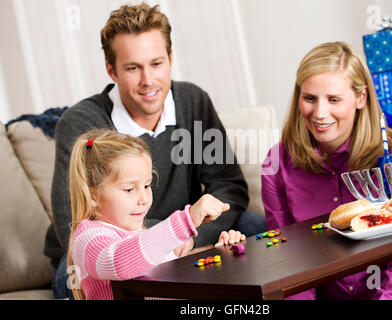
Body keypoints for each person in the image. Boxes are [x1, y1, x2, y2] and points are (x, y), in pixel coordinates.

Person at [45, 3, 266, 299]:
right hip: (106, 247)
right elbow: (71, 220)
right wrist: (170, 239)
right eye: (133, 68)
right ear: (112, 70)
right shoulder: (83, 123)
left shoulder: (192, 101)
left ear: (172, 59)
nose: (148, 80)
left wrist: (193, 238)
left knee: (254, 226)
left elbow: (228, 186)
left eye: (157, 64)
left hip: (186, 233)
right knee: (73, 276)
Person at [261, 42, 392, 300]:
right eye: (310, 98)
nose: (319, 113)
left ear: (361, 98)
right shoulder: (276, 164)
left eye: (334, 99)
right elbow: (288, 258)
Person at [67, 129, 244, 299]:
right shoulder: (88, 238)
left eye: (147, 185)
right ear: (93, 195)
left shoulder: (144, 237)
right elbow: (120, 264)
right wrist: (186, 220)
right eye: (129, 189)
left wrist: (217, 256)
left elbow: (179, 280)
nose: (143, 198)